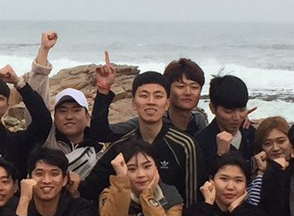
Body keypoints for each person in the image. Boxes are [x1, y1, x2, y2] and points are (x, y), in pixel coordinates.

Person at [82, 68, 199, 206]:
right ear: (133, 103)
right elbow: (90, 189)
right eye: (144, 96)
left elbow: (194, 200)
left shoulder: (185, 145)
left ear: (167, 104)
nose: (151, 102)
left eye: (158, 96)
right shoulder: (121, 147)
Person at [0, 67, 52, 168]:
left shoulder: (17, 143)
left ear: (7, 106)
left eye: (0, 98)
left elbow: (43, 121)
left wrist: (19, 83)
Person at [196, 75, 258, 177]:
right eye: (229, 111)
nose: (237, 117)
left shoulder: (253, 134)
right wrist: (220, 156)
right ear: (213, 108)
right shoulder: (201, 143)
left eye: (242, 110)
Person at [48, 87, 101, 184]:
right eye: (63, 111)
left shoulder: (99, 152)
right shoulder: (45, 141)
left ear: (87, 117)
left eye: (76, 110)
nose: (69, 117)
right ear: (54, 117)